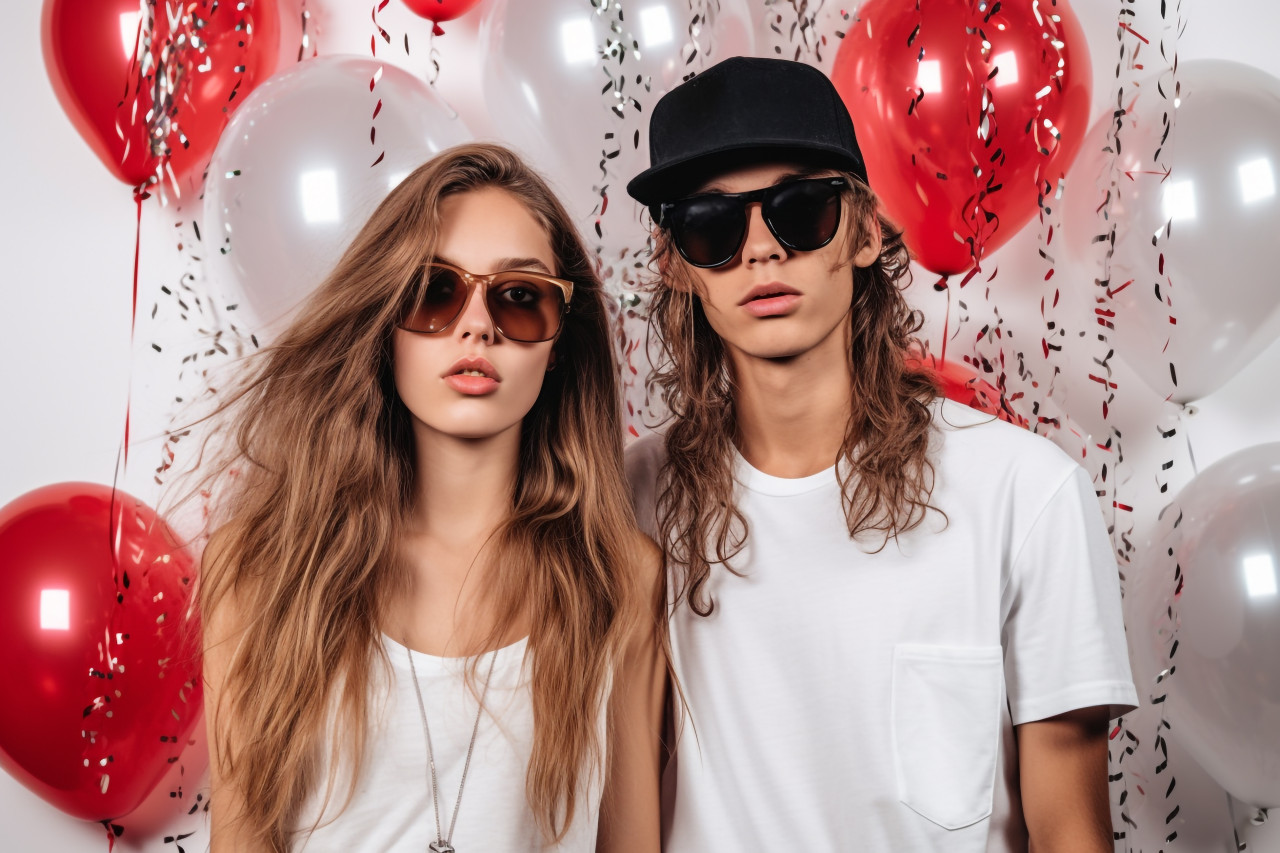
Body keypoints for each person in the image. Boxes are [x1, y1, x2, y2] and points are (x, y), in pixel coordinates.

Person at [624, 56, 1138, 851]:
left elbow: (1071, 830)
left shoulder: (1025, 495)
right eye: (712, 226)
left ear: (866, 231)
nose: (761, 249)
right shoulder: (628, 502)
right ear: (674, 265)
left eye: (801, 210)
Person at [198, 143, 666, 853]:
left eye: (520, 298)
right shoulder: (263, 566)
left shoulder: (621, 577)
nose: (477, 326)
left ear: (560, 344)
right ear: (386, 322)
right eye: (435, 291)